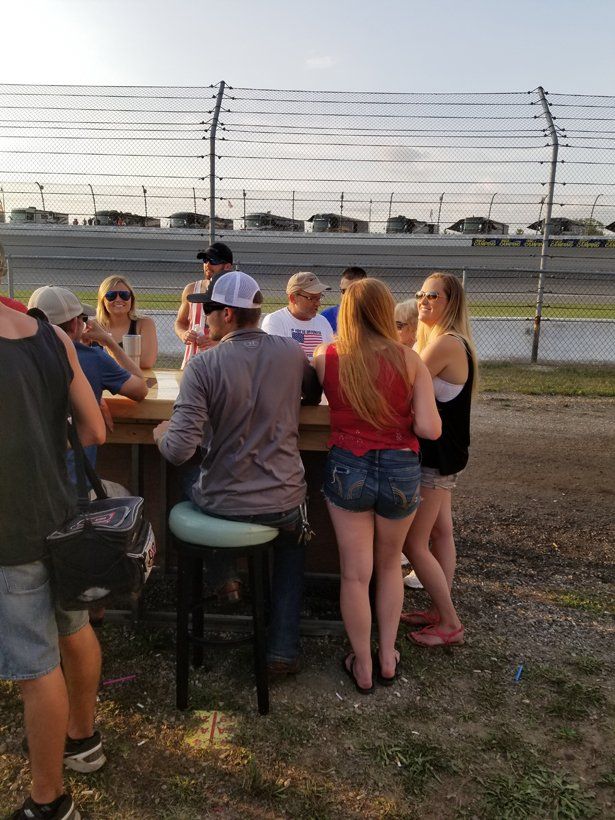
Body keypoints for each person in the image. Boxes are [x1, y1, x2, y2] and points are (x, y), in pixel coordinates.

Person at [154, 270, 322, 675]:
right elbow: (313, 394)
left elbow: (179, 451)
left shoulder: (204, 366)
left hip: (226, 502)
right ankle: (281, 651)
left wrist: (161, 433)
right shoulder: (290, 352)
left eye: (208, 311)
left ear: (227, 314)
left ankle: (224, 572)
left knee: (189, 481)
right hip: (283, 499)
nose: (204, 319)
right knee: (291, 545)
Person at [0, 302, 106, 820]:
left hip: (9, 531)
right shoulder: (53, 337)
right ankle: (83, 739)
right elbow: (94, 431)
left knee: (35, 669)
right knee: (74, 629)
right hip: (61, 515)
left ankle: (48, 801)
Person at [312, 279, 440, 693]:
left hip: (347, 463)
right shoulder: (410, 359)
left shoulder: (326, 355)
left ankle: (361, 664)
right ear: (387, 312)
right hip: (402, 469)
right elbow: (429, 428)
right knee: (389, 567)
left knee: (354, 573)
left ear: (345, 313)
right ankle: (388, 656)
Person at [401, 273, 478, 647]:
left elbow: (401, 381)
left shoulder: (445, 343)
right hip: (447, 454)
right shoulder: (446, 340)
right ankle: (439, 606)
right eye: (420, 293)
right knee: (440, 533)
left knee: (413, 544)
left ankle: (449, 623)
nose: (423, 300)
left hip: (435, 458)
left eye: (432, 295)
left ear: (450, 302)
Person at [28, 285, 147, 472]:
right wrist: (109, 342)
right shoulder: (93, 358)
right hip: (76, 489)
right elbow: (140, 389)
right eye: (83, 319)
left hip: (28, 482)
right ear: (76, 324)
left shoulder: (19, 355)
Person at [174, 242, 234, 368]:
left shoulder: (235, 293)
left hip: (223, 365)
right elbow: (180, 322)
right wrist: (184, 334)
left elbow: (243, 330)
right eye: (205, 260)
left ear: (227, 266)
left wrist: (217, 341)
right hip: (191, 364)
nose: (207, 264)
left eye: (213, 261)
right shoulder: (191, 290)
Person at [262, 272, 334, 359]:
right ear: (293, 298)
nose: (318, 303)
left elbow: (331, 359)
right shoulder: (275, 321)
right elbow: (277, 361)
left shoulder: (323, 322)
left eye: (319, 298)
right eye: (312, 298)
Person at [96, 275, 158, 369]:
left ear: (131, 299)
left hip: (134, 381)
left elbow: (146, 362)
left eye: (124, 295)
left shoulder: (144, 323)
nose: (118, 299)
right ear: (102, 300)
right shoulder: (92, 325)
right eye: (111, 295)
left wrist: (110, 347)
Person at [321, 266, 367, 333]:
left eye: (351, 291)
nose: (346, 296)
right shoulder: (327, 316)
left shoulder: (374, 317)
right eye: (343, 291)